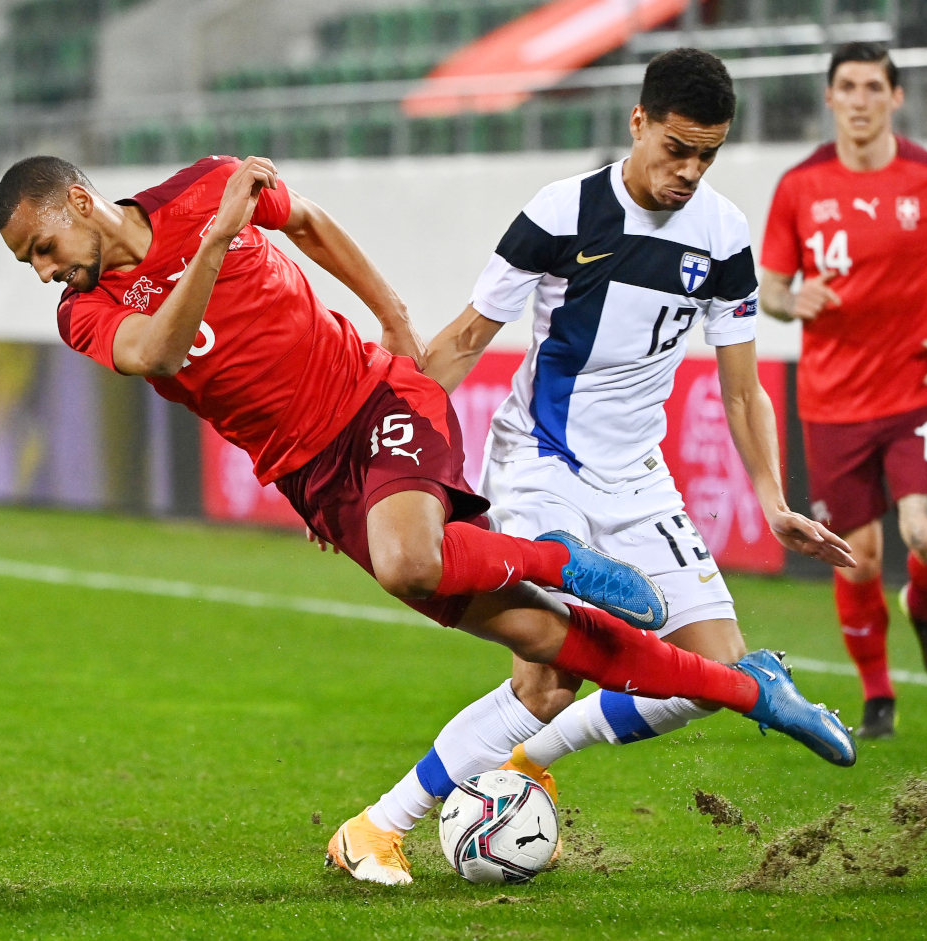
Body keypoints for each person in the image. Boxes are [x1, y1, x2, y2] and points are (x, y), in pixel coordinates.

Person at [0, 151, 856, 879]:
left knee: (409, 559)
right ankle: (752, 689)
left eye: (42, 246)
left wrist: (393, 312)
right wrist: (217, 243)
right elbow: (158, 351)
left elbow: (309, 224)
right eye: (29, 261)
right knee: (548, 647)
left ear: (79, 203)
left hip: (375, 401)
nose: (44, 271)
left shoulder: (205, 187)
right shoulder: (86, 311)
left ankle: (553, 558)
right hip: (312, 475)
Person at [326, 48, 856, 887]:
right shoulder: (563, 212)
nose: (689, 172)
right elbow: (465, 338)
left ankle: (526, 759)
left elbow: (742, 387)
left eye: (708, 155)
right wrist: (382, 457)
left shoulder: (723, 234)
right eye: (676, 149)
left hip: (640, 478)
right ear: (638, 122)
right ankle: (376, 827)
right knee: (551, 673)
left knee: (715, 678)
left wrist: (774, 500)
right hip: (541, 463)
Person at [758, 42, 927, 739]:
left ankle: (924, 610)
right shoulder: (800, 185)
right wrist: (790, 299)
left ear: (896, 97)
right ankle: (878, 697)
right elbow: (772, 287)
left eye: (874, 86)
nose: (861, 99)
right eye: (848, 86)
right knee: (858, 558)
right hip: (831, 404)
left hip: (914, 393)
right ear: (830, 97)